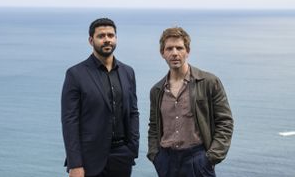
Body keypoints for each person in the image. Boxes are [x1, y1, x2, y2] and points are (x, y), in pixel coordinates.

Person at [147, 27, 233, 177]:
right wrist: (155, 156)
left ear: (187, 51)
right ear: (163, 53)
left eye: (179, 48)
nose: (174, 53)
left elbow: (225, 122)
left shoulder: (209, 82)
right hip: (166, 161)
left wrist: (211, 157)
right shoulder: (157, 90)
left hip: (197, 159)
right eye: (169, 49)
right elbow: (154, 127)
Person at [61, 18, 139, 177]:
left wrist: (132, 149)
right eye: (101, 36)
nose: (107, 39)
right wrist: (75, 164)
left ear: (116, 38)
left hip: (122, 157)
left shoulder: (128, 72)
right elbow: (70, 121)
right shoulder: (75, 74)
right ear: (91, 40)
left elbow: (133, 112)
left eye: (111, 35)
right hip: (89, 160)